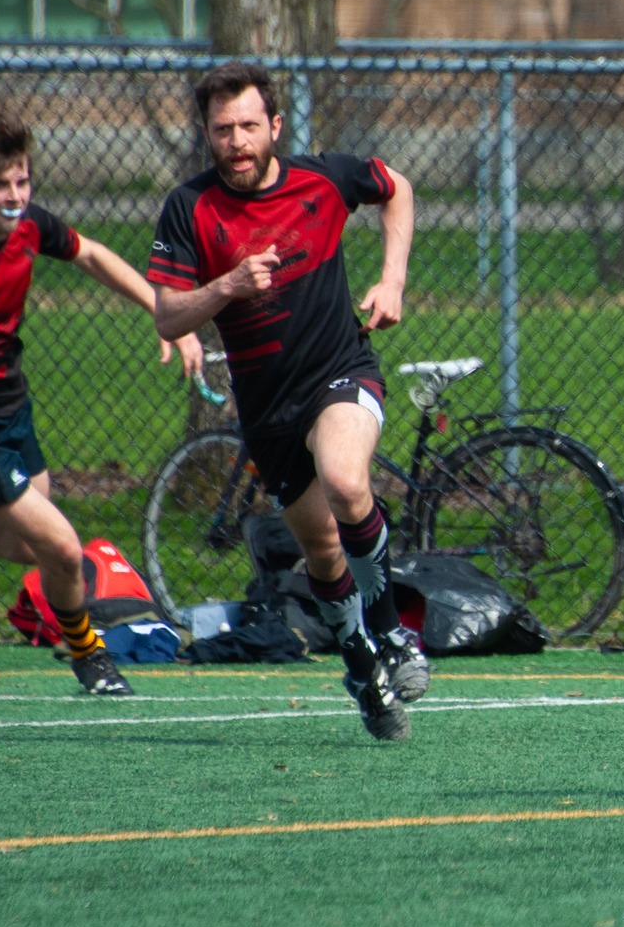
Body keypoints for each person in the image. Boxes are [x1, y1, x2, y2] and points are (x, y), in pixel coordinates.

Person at [0, 109, 204, 695]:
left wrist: (163, 310)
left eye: (23, 181)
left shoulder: (29, 227)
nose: (16, 195)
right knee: (62, 549)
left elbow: (92, 254)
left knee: (14, 543)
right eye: (1, 185)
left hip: (13, 406)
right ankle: (89, 655)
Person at [146, 62, 430, 742]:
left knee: (346, 480)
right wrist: (228, 286)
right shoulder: (190, 208)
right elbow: (167, 316)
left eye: (248, 125)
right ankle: (359, 660)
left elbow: (397, 188)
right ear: (208, 135)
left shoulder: (322, 178)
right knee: (324, 552)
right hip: (267, 406)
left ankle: (392, 634)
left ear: (274, 126)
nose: (236, 140)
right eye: (222, 129)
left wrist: (392, 280)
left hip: (339, 368)